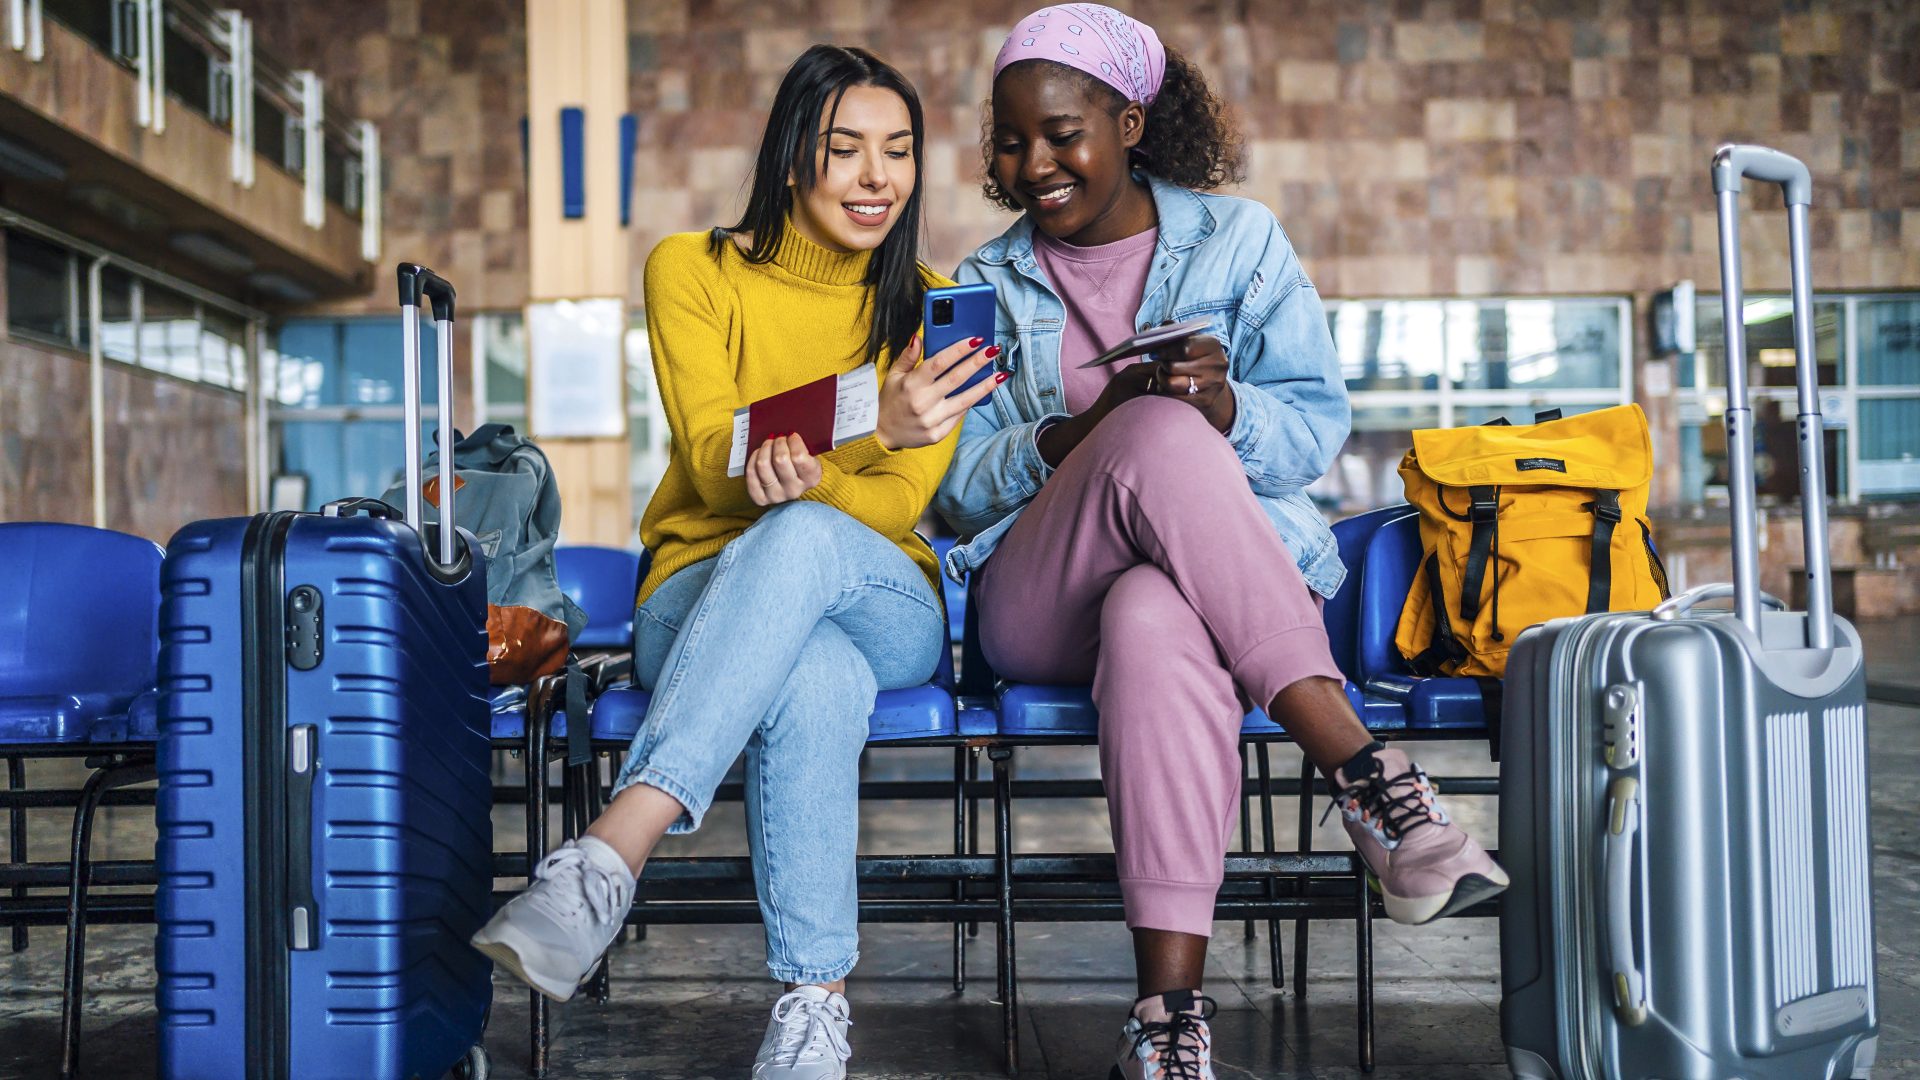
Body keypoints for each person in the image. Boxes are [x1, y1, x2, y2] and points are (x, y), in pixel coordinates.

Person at [934, 8, 1508, 1078]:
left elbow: (1314, 431)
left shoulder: (1240, 243)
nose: (1034, 165)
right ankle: (1370, 780)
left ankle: (1168, 1024)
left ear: (1131, 121)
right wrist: (1081, 429)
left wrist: (1233, 408)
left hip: (1191, 598)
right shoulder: (981, 284)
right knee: (1147, 422)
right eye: (1011, 142)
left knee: (1154, 611)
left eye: (1062, 134)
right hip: (1033, 601)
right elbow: (956, 488)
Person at [471, 44, 1001, 1079]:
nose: (875, 177)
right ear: (793, 154)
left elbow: (895, 504)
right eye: (845, 148)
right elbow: (719, 464)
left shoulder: (932, 309)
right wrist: (867, 413)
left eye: (897, 151)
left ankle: (611, 855)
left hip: (882, 594)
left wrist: (817, 471)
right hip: (697, 594)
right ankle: (811, 1011)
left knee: (800, 535)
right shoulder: (693, 269)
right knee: (804, 668)